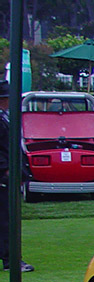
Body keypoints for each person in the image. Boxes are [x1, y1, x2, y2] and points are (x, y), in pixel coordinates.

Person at [0, 81, 33, 272]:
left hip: (10, 171)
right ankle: (10, 259)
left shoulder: (7, 117)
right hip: (4, 173)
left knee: (8, 216)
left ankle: (9, 256)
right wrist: (5, 169)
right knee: (7, 218)